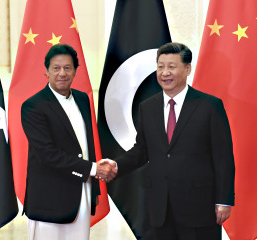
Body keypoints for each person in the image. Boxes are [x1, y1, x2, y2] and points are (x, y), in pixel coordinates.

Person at [101, 42, 235, 240]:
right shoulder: (148, 107)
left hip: (199, 207)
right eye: (160, 66)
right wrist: (117, 165)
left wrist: (224, 200)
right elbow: (142, 150)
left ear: (187, 69)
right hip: (160, 208)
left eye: (171, 66)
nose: (165, 72)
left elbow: (223, 158)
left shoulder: (209, 106)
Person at [21, 43, 115, 240]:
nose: (61, 73)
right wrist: (92, 169)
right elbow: (47, 154)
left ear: (75, 71)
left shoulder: (82, 99)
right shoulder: (33, 106)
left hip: (82, 192)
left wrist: (95, 181)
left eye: (67, 68)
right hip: (49, 198)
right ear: (46, 71)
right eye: (56, 68)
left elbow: (86, 145)